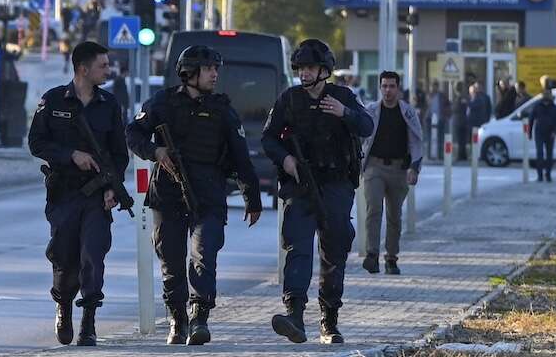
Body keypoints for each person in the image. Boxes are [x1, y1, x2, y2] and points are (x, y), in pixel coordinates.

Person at [125, 46, 263, 345]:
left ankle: (199, 316)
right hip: (168, 192)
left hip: (209, 194)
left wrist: (252, 197)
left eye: (216, 68)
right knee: (171, 261)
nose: (215, 74)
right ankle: (178, 320)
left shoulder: (222, 109)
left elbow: (240, 157)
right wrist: (155, 151)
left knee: (204, 255)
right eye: (209, 68)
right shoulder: (162, 102)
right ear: (190, 72)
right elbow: (133, 133)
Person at [262, 39, 374, 345]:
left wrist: (344, 113)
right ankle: (294, 314)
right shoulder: (289, 99)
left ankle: (329, 319)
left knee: (334, 249)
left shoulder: (342, 96)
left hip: (336, 185)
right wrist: (285, 159)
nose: (305, 73)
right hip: (300, 186)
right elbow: (268, 138)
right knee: (297, 246)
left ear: (324, 70)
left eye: (310, 67)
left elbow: (366, 125)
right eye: (300, 68)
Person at [28, 41, 130, 346]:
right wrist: (70, 154)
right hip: (64, 193)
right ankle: (63, 306)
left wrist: (113, 187)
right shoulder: (54, 100)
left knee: (93, 255)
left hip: (97, 196)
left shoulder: (109, 105)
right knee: (64, 255)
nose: (108, 70)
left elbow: (118, 154)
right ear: (83, 69)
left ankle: (89, 322)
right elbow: (37, 143)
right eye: (103, 65)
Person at [360, 71, 424, 276]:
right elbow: (360, 136)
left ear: (398, 88)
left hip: (399, 169)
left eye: (392, 86)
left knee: (394, 215)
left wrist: (414, 167)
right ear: (380, 88)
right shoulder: (371, 111)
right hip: (374, 167)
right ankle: (372, 255)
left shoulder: (407, 112)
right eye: (384, 86)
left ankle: (391, 258)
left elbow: (416, 140)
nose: (388, 90)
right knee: (374, 209)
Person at [527, 90, 556, 182]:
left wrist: (555, 132)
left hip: (550, 134)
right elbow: (531, 120)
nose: (546, 96)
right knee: (540, 154)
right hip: (539, 132)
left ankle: (548, 174)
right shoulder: (537, 106)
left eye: (548, 94)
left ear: (550, 96)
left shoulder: (555, 108)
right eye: (544, 94)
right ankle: (540, 175)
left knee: (549, 155)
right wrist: (529, 133)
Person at [450, 82, 470, 162]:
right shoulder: (465, 97)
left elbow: (456, 108)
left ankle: (461, 156)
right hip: (464, 120)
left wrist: (452, 107)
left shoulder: (459, 97)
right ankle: (463, 155)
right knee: (463, 140)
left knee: (460, 139)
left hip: (459, 120)